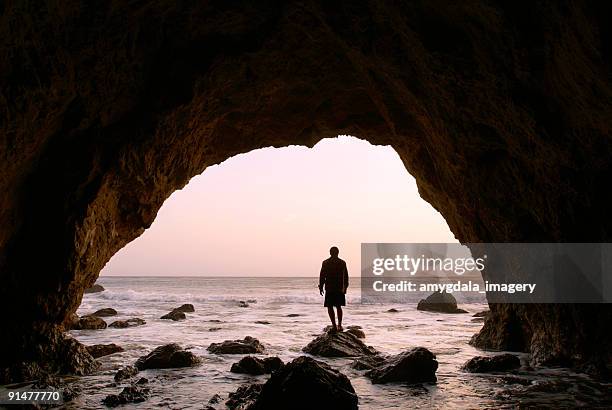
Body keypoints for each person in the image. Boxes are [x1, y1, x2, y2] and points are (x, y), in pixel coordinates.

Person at [318, 246, 349, 332]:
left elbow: (322, 276)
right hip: (339, 288)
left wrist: (321, 286)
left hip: (330, 288)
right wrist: (345, 287)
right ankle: (339, 325)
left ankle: (334, 325)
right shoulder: (342, 262)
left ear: (330, 253)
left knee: (330, 306)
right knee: (338, 306)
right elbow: (346, 277)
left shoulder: (326, 262)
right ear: (338, 253)